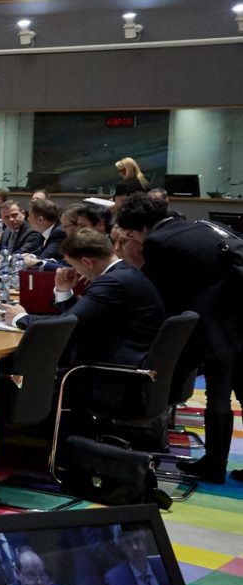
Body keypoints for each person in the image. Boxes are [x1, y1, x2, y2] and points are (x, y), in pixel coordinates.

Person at [114, 191, 238, 483]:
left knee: (218, 394)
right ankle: (217, 462)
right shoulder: (197, 226)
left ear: (141, 228)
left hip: (221, 322)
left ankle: (214, 464)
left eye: (131, 233)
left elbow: (158, 293)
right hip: (236, 311)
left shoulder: (158, 242)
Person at [6, 228, 165, 417]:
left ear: (87, 262)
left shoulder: (112, 283)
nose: (74, 271)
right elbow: (83, 318)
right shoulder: (124, 274)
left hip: (114, 377)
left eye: (74, 265)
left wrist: (20, 318)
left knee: (19, 376)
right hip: (133, 368)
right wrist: (64, 290)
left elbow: (67, 324)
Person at [20, 196, 64, 267]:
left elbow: (42, 259)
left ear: (40, 220)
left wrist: (31, 258)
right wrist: (31, 255)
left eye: (29, 216)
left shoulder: (60, 233)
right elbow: (34, 251)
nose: (28, 219)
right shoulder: (42, 232)